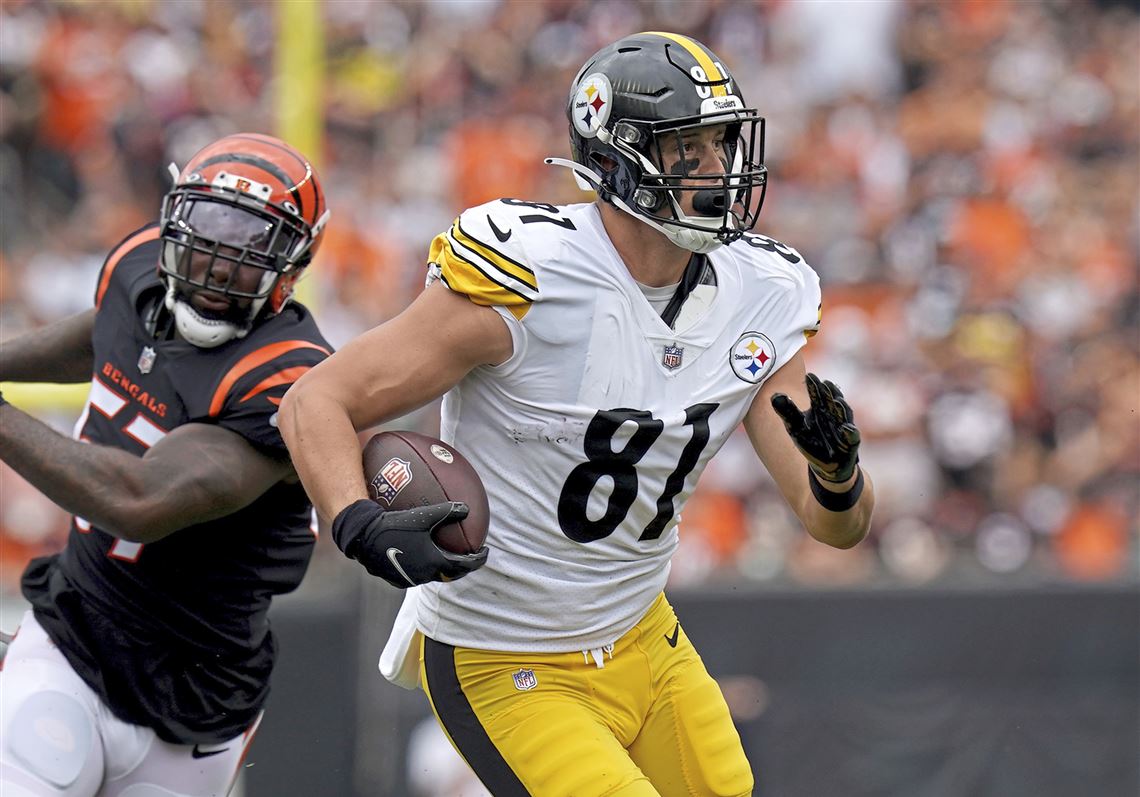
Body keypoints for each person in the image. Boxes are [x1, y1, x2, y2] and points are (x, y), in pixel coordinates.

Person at [280, 31, 874, 797]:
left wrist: (838, 472)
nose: (719, 171)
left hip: (644, 640)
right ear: (619, 158)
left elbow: (837, 525)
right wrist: (355, 520)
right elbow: (316, 400)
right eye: (688, 150)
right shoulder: (530, 279)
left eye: (721, 145)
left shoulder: (760, 293)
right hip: (504, 654)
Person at [0, 133, 333, 797]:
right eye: (203, 242)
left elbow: (140, 501)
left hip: (198, 709)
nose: (213, 272)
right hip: (75, 640)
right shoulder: (137, 266)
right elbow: (102, 335)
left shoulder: (291, 379)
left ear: (291, 266)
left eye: (243, 257)